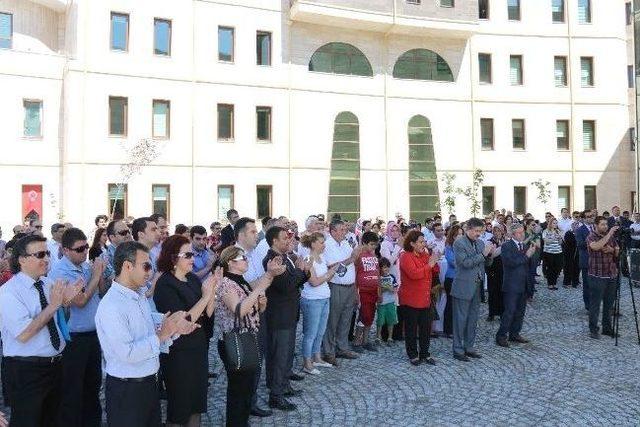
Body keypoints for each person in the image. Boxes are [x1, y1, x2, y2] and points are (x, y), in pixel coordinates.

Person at [95, 241, 197, 427]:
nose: (150, 272)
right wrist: (162, 335)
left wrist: (173, 328)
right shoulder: (112, 305)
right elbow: (127, 353)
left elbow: (149, 331)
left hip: (149, 384)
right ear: (127, 266)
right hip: (127, 390)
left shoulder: (139, 295)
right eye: (146, 266)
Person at [0, 234, 81, 426]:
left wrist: (65, 303)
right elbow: (24, 334)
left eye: (48, 253)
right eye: (40, 254)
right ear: (22, 260)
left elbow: (58, 320)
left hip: (55, 365)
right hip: (26, 370)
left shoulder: (47, 283)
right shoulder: (9, 292)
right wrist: (54, 305)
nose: (46, 259)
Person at [154, 235, 218, 427]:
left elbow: (207, 312)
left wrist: (212, 290)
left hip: (197, 346)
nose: (193, 258)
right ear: (173, 258)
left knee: (197, 403)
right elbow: (182, 321)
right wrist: (206, 296)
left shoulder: (192, 278)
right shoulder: (165, 284)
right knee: (180, 406)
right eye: (188, 254)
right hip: (178, 352)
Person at [48, 228, 106, 427]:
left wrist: (99, 275)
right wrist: (96, 275)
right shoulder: (60, 271)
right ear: (65, 250)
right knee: (73, 390)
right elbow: (79, 301)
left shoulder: (86, 267)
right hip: (74, 338)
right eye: (79, 249)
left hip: (93, 335)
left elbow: (101, 292)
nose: (85, 252)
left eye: (86, 247)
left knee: (93, 385)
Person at [233, 217, 283, 418]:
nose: (257, 234)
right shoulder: (236, 256)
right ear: (241, 235)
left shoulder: (252, 254)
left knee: (257, 358)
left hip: (257, 311)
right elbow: (249, 286)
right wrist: (269, 276)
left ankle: (250, 400)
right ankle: (246, 403)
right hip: (244, 317)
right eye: (252, 232)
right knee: (248, 361)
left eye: (256, 231)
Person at [216, 246, 269, 426]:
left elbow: (252, 310)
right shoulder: (226, 283)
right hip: (234, 341)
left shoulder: (241, 281)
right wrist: (258, 290)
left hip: (248, 337)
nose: (246, 259)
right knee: (238, 391)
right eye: (241, 257)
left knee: (246, 389)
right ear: (230, 262)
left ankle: (242, 422)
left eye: (245, 257)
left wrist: (261, 303)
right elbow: (238, 310)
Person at [263, 226, 309, 411]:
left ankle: (283, 385)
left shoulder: (286, 258)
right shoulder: (272, 259)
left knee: (287, 354)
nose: (288, 240)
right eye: (284, 238)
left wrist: (304, 272)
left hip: (289, 313)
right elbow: (286, 285)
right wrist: (300, 271)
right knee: (279, 356)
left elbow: (298, 280)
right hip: (278, 316)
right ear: (274, 241)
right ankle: (276, 395)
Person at [451, 218, 495, 362]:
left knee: (473, 318)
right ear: (467, 229)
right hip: (463, 286)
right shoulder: (459, 243)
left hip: (477, 286)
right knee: (460, 319)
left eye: (480, 231)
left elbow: (485, 263)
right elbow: (465, 263)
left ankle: (469, 347)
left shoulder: (481, 243)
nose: (479, 234)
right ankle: (457, 349)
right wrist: (483, 255)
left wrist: (490, 255)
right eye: (476, 231)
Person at [321, 220, 362, 366]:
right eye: (341, 229)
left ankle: (342, 347)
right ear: (333, 231)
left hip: (349, 286)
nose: (344, 232)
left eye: (345, 229)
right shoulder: (327, 246)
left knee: (346, 319)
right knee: (332, 320)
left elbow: (352, 265)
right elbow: (332, 266)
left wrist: (355, 258)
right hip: (336, 286)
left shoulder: (345, 244)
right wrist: (351, 259)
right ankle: (328, 351)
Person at [398, 230, 439, 366]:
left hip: (425, 298)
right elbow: (414, 274)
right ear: (412, 243)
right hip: (411, 299)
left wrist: (434, 260)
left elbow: (434, 269)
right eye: (421, 242)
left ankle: (424, 353)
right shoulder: (405, 256)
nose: (423, 244)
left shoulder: (424, 255)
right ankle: (412, 354)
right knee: (411, 329)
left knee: (425, 328)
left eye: (424, 241)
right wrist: (430, 265)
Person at [299, 232, 337, 375]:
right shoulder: (308, 259)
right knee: (311, 333)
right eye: (321, 242)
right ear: (313, 243)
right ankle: (307, 363)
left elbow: (322, 278)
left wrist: (331, 273)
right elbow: (313, 281)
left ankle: (316, 358)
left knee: (320, 331)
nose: (324, 245)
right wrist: (329, 274)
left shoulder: (321, 257)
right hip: (312, 300)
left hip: (324, 298)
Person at [496, 224, 536, 347]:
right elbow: (511, 262)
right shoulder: (507, 246)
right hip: (511, 285)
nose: (522, 234)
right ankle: (501, 336)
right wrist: (527, 255)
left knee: (520, 311)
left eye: (522, 232)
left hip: (523, 283)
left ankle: (515, 334)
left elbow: (527, 266)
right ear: (513, 235)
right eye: (518, 233)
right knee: (509, 311)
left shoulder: (524, 245)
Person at [586, 217, 620, 339]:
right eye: (602, 224)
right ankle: (593, 329)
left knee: (609, 304)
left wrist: (612, 250)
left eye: (606, 224)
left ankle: (607, 328)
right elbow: (595, 247)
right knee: (595, 304)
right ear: (596, 225)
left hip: (611, 274)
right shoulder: (591, 236)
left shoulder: (610, 237)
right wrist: (609, 234)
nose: (605, 226)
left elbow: (617, 250)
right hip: (597, 275)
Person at [353, 231, 381, 352]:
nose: (373, 247)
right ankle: (356, 341)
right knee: (364, 316)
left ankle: (365, 340)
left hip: (373, 290)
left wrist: (379, 292)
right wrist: (355, 292)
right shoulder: (359, 256)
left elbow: (377, 274)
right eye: (371, 244)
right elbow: (355, 274)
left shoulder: (374, 256)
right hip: (363, 291)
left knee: (371, 316)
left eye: (375, 245)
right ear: (364, 242)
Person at [132, 217, 162, 307]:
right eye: (153, 230)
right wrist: (157, 277)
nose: (158, 233)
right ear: (141, 234)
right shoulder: (133, 256)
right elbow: (137, 295)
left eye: (157, 229)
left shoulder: (152, 255)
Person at [443, 225, 462, 337]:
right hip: (451, 278)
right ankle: (448, 329)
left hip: (461, 279)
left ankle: (458, 328)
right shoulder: (449, 247)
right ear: (454, 236)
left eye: (461, 234)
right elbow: (453, 262)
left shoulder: (464, 246)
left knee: (459, 305)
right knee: (450, 304)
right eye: (459, 234)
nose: (461, 236)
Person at [375, 258, 399, 344]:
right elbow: (377, 290)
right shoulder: (378, 278)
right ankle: (378, 337)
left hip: (390, 302)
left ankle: (390, 337)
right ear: (380, 268)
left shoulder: (392, 277)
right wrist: (383, 289)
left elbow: (396, 289)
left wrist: (390, 289)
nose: (386, 269)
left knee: (391, 320)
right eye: (384, 267)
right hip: (381, 303)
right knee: (380, 320)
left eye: (387, 267)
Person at [486, 225, 506, 322]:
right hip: (493, 269)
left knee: (502, 292)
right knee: (492, 292)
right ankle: (491, 313)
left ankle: (502, 313)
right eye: (495, 231)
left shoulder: (505, 241)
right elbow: (489, 255)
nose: (497, 233)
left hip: (503, 269)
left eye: (499, 231)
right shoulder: (490, 241)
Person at [575, 211, 594, 310]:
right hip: (586, 259)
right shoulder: (579, 230)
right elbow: (580, 245)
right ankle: (588, 305)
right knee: (587, 284)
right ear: (583, 218)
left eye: (592, 216)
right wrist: (593, 242)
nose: (591, 218)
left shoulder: (596, 227)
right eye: (588, 217)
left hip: (598, 260)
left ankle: (596, 302)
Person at [542, 218, 564, 290]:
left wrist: (560, 238)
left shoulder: (558, 231)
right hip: (549, 252)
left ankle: (554, 282)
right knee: (550, 268)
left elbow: (560, 243)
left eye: (556, 223)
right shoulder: (546, 231)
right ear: (550, 224)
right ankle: (550, 284)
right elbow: (546, 241)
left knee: (558, 268)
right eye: (554, 223)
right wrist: (554, 237)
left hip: (558, 251)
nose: (555, 224)